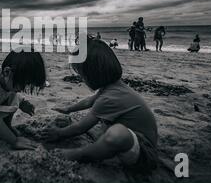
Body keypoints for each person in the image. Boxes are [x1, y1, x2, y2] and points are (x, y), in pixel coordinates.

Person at [43, 37, 158, 172]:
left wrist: (59, 134)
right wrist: (69, 109)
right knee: (109, 129)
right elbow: (89, 101)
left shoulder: (109, 98)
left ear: (93, 74)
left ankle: (79, 154)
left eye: (82, 76)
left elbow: (81, 128)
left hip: (143, 153)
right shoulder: (113, 87)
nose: (82, 79)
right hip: (137, 142)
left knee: (117, 133)